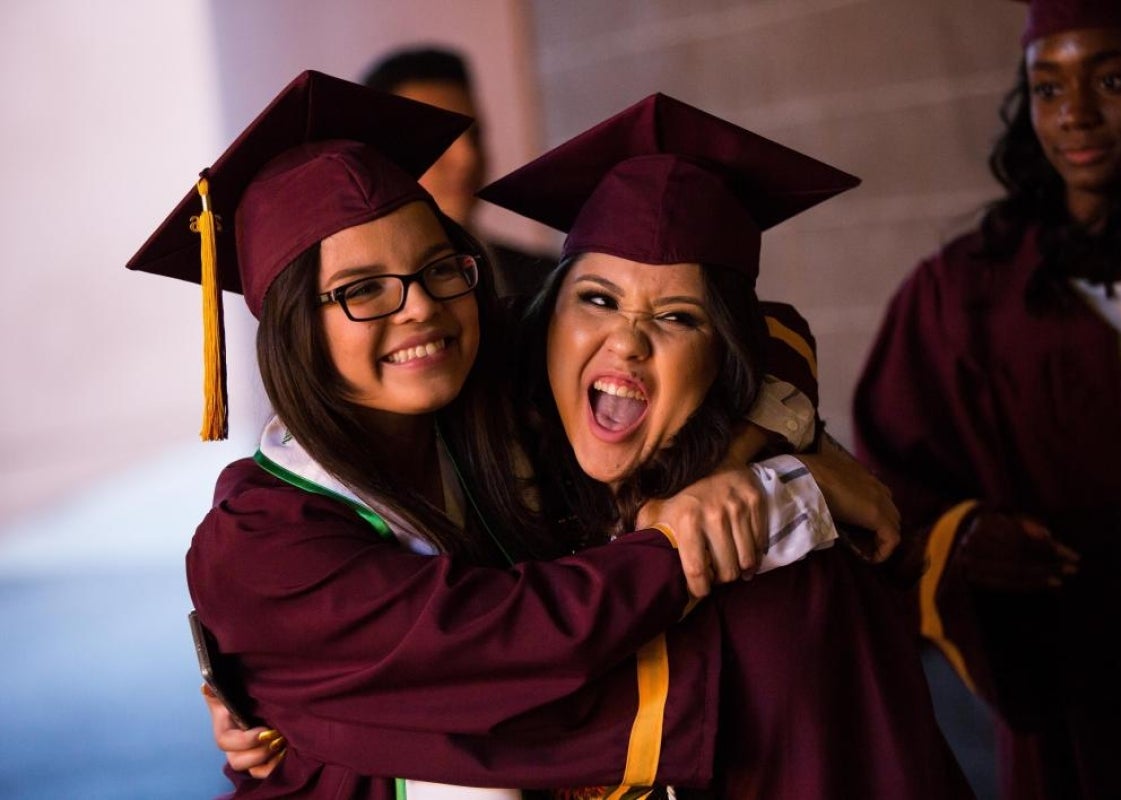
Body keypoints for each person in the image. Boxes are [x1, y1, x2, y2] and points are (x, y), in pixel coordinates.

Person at [192, 85, 970, 799]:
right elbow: (506, 646)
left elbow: (765, 330)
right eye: (363, 291)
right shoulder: (260, 543)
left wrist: (750, 454)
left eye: (439, 270)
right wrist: (777, 500)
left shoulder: (495, 392)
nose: (421, 310)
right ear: (294, 325)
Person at [853, 1, 1121, 797]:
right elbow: (884, 483)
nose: (1074, 113)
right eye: (1047, 88)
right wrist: (963, 534)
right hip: (1068, 719)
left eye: (1111, 80)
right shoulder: (964, 293)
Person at [362, 46, 556, 297]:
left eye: (474, 136)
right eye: (439, 140)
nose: (468, 158)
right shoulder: (362, 299)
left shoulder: (549, 284)